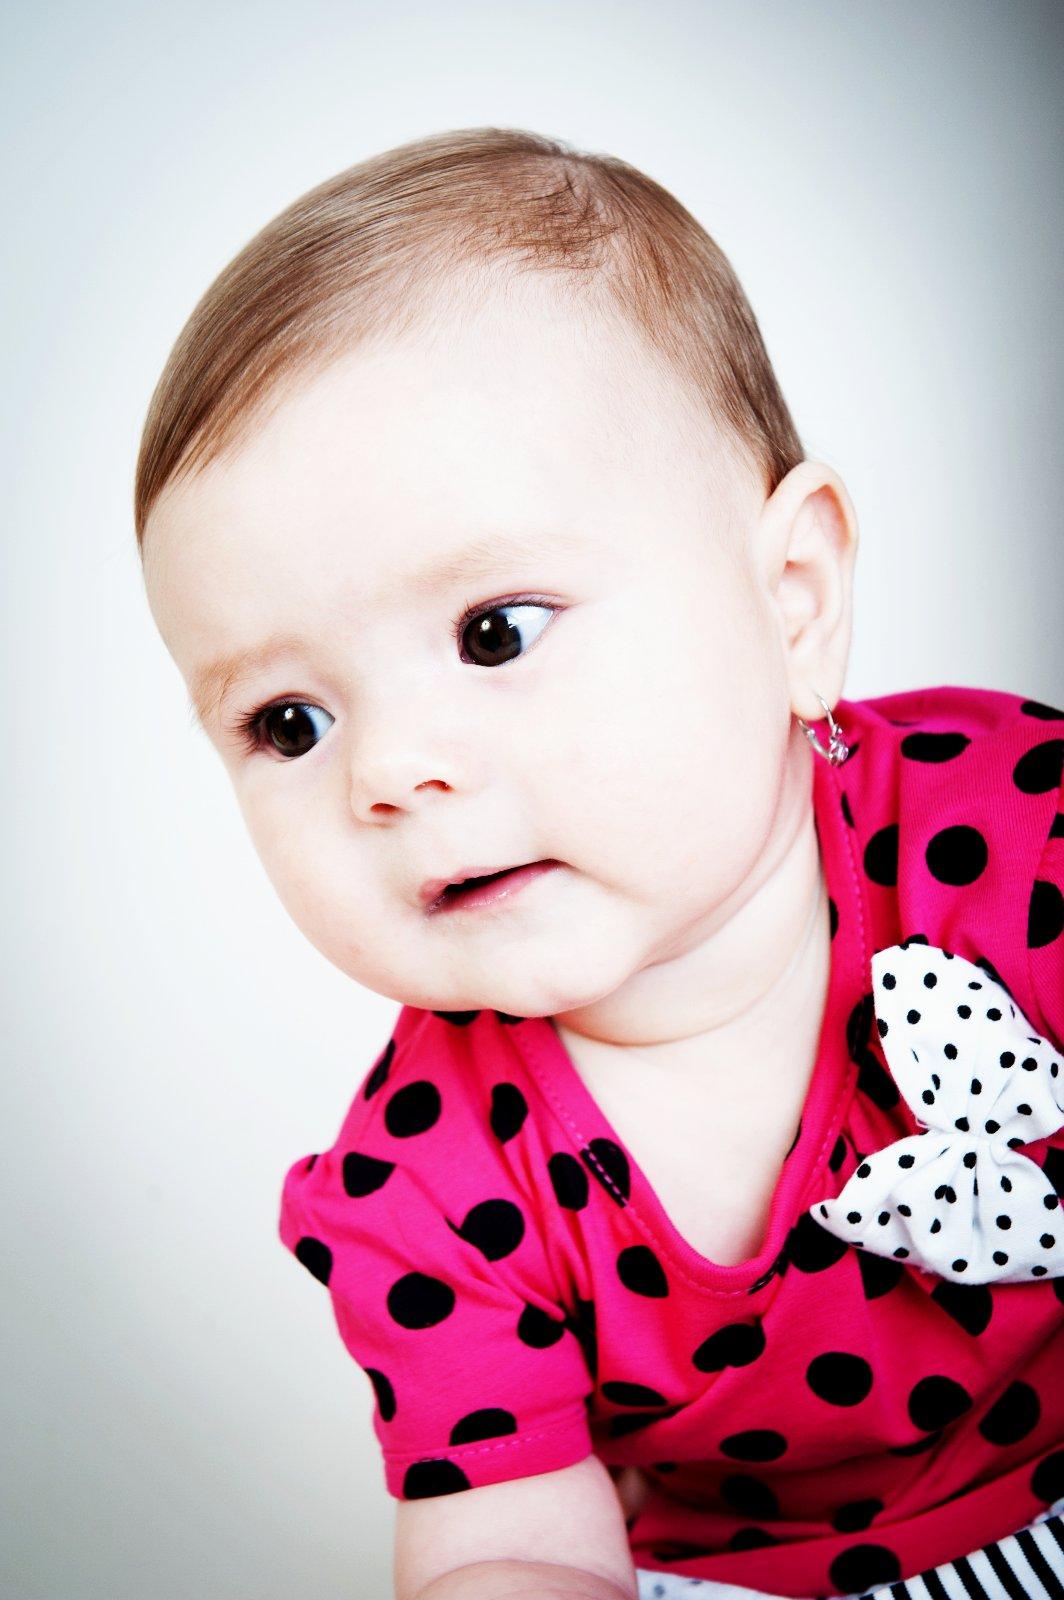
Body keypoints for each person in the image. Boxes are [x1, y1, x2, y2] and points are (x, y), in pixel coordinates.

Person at [134, 127, 1064, 1600]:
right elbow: (508, 1545)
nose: (388, 774)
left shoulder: (1014, 828)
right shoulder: (421, 1191)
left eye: (494, 632)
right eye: (288, 721)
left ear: (792, 601)